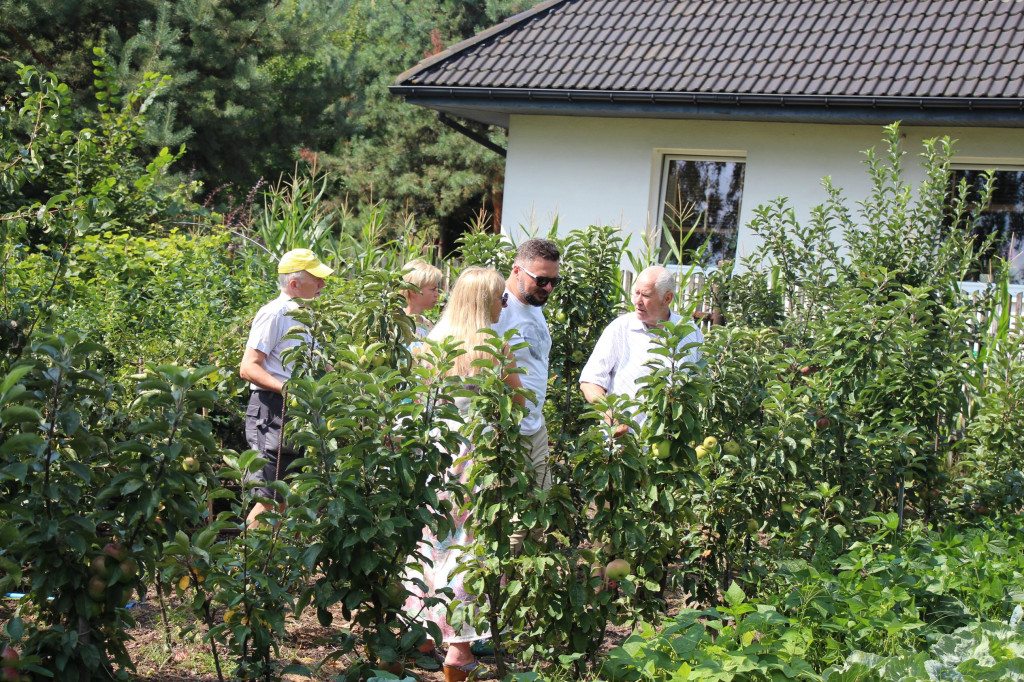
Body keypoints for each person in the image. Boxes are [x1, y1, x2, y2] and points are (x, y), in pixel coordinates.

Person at [406, 267, 524, 682]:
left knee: (432, 541)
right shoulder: (493, 346)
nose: (503, 304)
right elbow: (519, 401)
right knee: (470, 546)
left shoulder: (431, 341)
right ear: (484, 301)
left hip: (437, 455)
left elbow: (418, 401)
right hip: (478, 457)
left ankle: (421, 635)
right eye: (500, 297)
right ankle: (458, 651)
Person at [239, 248, 333, 527]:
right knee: (269, 498)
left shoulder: (311, 316)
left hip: (302, 412)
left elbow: (325, 365)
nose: (322, 284)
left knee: (295, 495)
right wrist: (289, 390)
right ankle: (241, 566)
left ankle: (278, 565)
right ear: (294, 284)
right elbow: (249, 367)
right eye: (316, 278)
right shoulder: (274, 313)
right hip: (273, 409)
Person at [491, 238, 560, 551]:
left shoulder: (533, 306)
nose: (547, 288)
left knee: (541, 511)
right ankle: (501, 586)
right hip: (506, 428)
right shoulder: (500, 307)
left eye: (553, 281)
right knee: (511, 523)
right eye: (541, 280)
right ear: (516, 269)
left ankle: (529, 583)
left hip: (535, 426)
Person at [579, 265, 703, 436]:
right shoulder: (620, 329)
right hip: (623, 443)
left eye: (645, 295)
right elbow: (590, 381)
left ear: (667, 299)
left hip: (672, 446)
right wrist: (609, 413)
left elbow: (700, 383)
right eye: (636, 293)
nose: (637, 301)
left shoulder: (689, 331)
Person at [402, 258, 443, 350]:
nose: (437, 294)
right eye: (433, 289)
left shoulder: (428, 325)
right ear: (414, 290)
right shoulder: (396, 323)